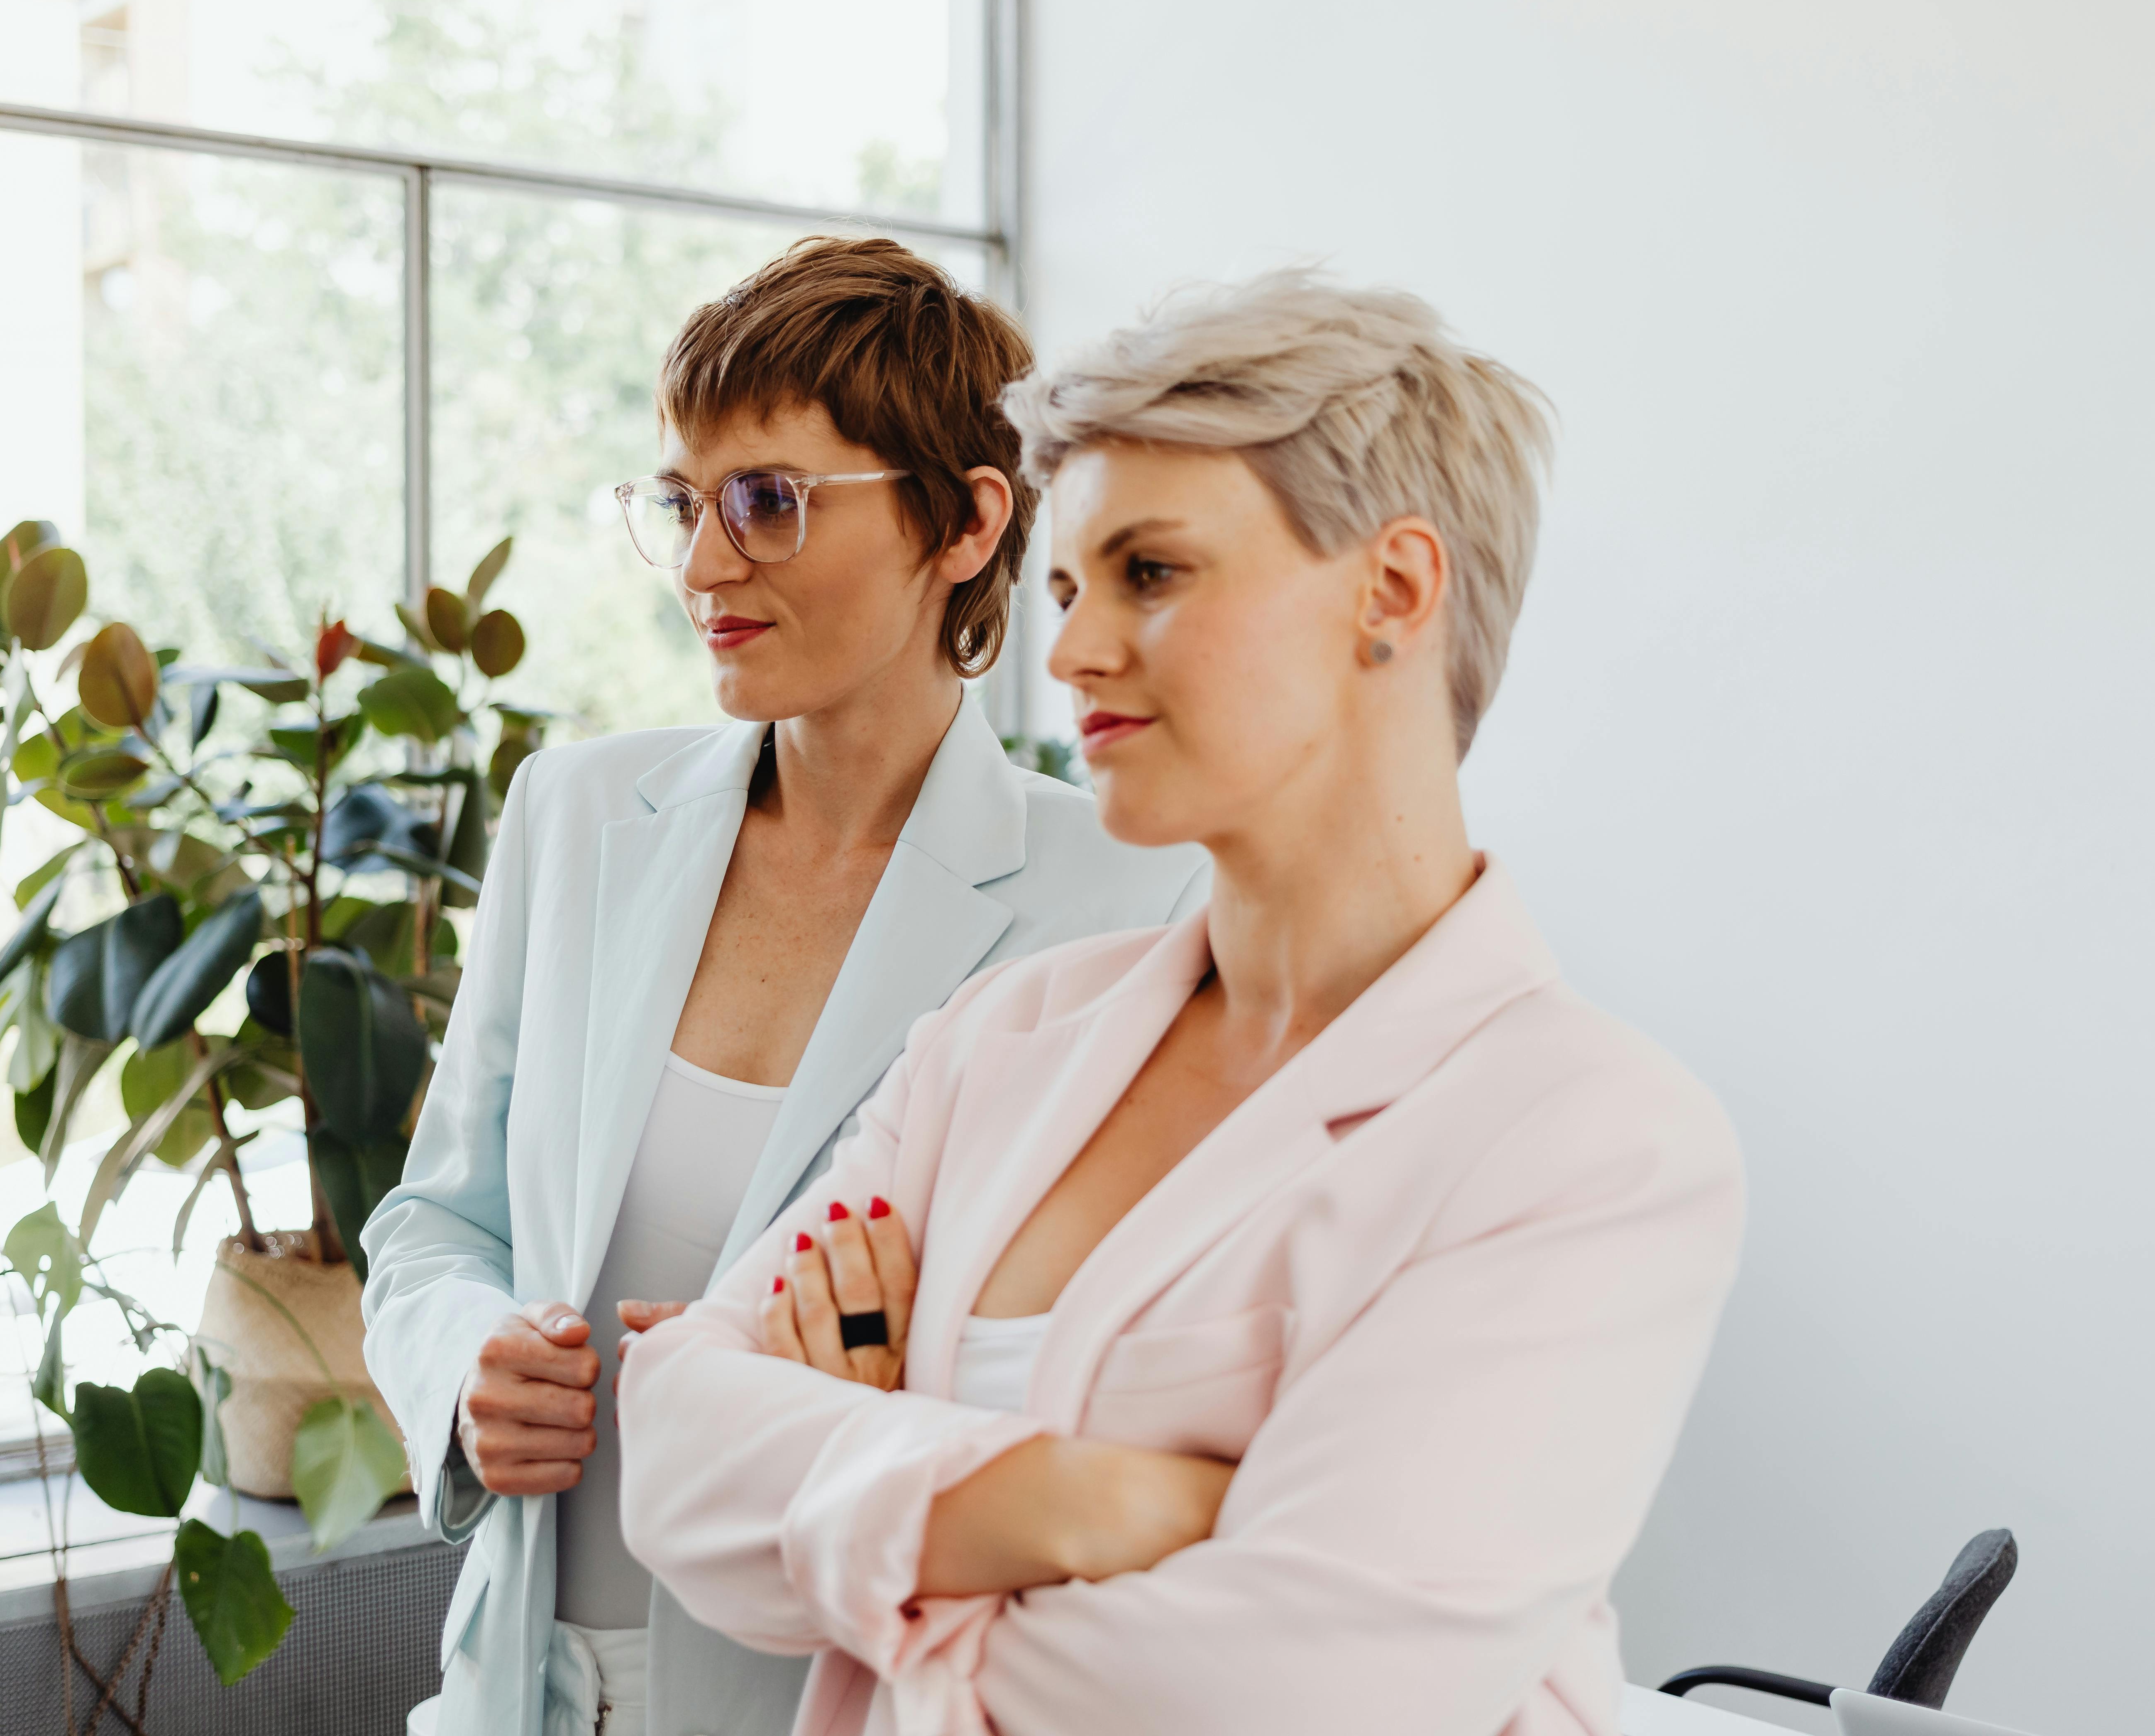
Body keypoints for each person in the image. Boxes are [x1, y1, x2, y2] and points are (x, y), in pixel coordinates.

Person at [619, 271, 1746, 1736]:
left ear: (1393, 593)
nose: (1075, 652)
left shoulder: (1595, 1143)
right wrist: (1071, 1500)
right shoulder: (1002, 1042)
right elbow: (677, 1447)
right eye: (1074, 587)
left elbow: (1289, 1698)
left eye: (1151, 575)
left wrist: (881, 1505)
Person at [361, 237, 1208, 1736]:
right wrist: (463, 1371)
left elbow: (1124, 1392)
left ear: (963, 523)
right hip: (513, 1689)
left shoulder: (1131, 904)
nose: (701, 566)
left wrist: (865, 1380)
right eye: (684, 502)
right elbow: (439, 1219)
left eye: (767, 501)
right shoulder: (576, 818)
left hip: (834, 1692)